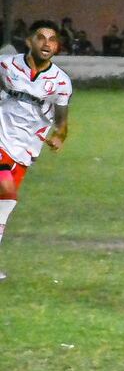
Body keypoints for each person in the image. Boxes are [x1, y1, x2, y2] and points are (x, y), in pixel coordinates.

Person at [0, 20, 73, 282]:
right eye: (41, 37)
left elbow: (62, 123)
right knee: (5, 188)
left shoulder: (62, 82)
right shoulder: (6, 65)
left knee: (5, 206)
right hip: (1, 138)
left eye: (52, 39)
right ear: (29, 41)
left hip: (25, 148)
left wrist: (59, 137)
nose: (46, 43)